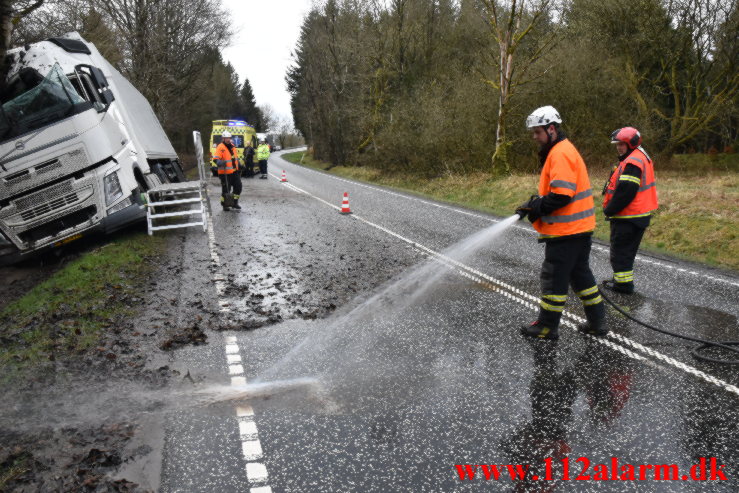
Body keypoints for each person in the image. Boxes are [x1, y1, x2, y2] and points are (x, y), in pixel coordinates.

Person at [515, 106, 607, 339]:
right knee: (581, 278)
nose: (534, 137)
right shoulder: (562, 150)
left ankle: (546, 326)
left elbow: (562, 194)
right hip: (578, 230)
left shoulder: (560, 153)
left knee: (554, 279)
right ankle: (598, 323)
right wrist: (535, 204)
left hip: (566, 232)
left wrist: (538, 207)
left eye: (537, 132)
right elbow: (558, 193)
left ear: (551, 128)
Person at [602, 127, 658, 294]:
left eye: (621, 144)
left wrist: (609, 210)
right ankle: (621, 281)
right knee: (626, 253)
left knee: (620, 253)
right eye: (617, 144)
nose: (618, 147)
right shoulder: (639, 156)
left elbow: (626, 191)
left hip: (629, 216)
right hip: (637, 215)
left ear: (631, 144)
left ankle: (623, 286)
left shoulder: (633, 161)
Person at [213, 131, 242, 210]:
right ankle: (225, 204)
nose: (228, 139)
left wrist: (239, 164)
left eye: (229, 138)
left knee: (238, 187)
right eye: (226, 138)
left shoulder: (232, 146)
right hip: (225, 173)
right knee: (226, 190)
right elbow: (215, 159)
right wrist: (220, 162)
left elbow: (234, 158)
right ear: (223, 139)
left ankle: (234, 203)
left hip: (234, 171)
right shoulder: (220, 147)